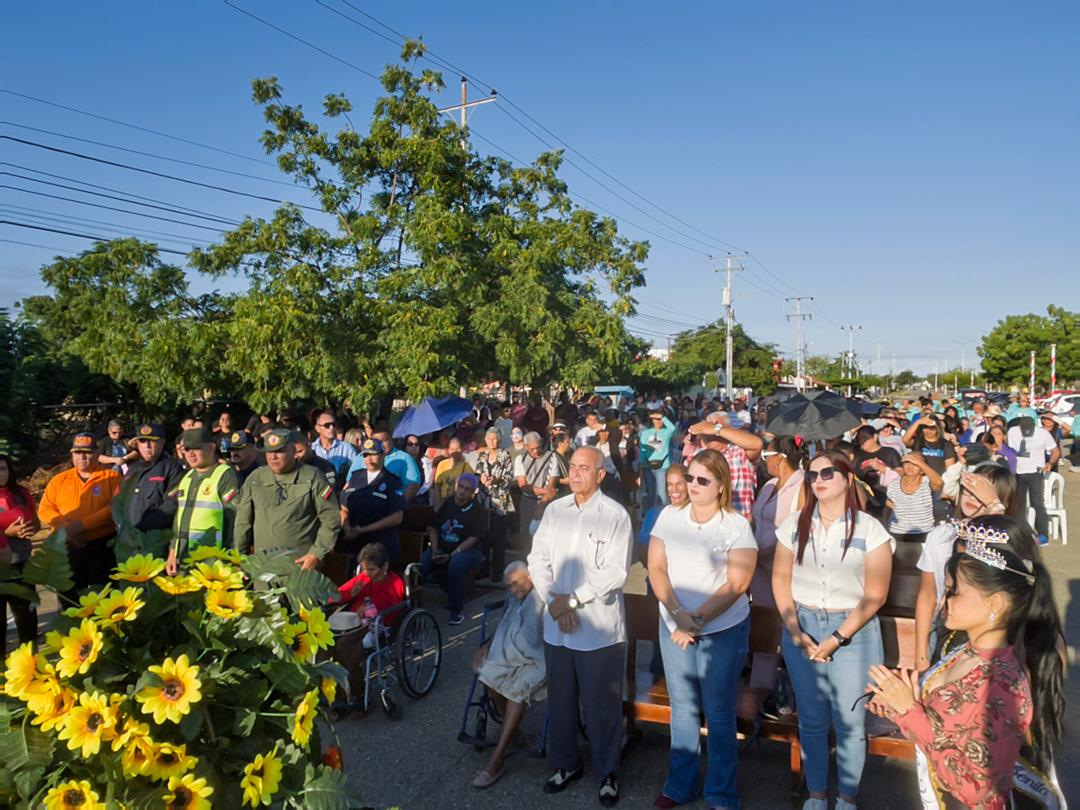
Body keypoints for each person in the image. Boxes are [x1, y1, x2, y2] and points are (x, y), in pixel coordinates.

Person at [868, 516, 1064, 808]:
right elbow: (941, 731)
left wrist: (909, 711)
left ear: (994, 604)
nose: (943, 599)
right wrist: (899, 708)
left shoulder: (1002, 681)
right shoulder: (959, 650)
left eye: (954, 592)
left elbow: (979, 789)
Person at [772, 450, 894, 810]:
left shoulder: (870, 529)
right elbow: (780, 577)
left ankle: (847, 798)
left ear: (847, 478)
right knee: (810, 719)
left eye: (828, 473)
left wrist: (839, 637)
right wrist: (794, 629)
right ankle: (816, 795)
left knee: (850, 723)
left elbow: (875, 594)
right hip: (804, 626)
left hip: (852, 632)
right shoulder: (794, 525)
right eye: (812, 475)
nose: (819, 480)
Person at [647, 449, 758, 810]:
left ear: (721, 485)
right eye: (689, 478)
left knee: (719, 710)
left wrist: (695, 620)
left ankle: (721, 791)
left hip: (721, 628)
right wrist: (678, 614)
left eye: (701, 480)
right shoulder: (669, 516)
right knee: (683, 708)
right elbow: (656, 567)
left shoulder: (736, 525)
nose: (691, 485)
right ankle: (680, 784)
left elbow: (737, 583)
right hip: (675, 624)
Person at [527, 447, 633, 807]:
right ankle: (565, 764)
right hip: (558, 625)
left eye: (583, 468)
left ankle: (607, 773)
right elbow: (537, 558)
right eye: (572, 467)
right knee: (560, 701)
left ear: (600, 475)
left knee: (601, 705)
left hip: (598, 630)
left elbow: (616, 572)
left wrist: (570, 601)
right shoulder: (555, 510)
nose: (574, 474)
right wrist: (553, 600)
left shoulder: (615, 515)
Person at [914, 465, 1016, 670]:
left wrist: (994, 507)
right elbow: (927, 595)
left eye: (981, 493)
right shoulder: (942, 535)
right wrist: (920, 654)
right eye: (968, 489)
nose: (971, 497)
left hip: (995, 634)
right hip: (946, 629)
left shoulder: (1009, 538)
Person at [471, 561, 547, 789]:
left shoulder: (544, 595)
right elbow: (505, 623)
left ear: (530, 577)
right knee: (490, 680)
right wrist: (488, 643)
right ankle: (513, 731)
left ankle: (497, 759)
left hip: (538, 658)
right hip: (508, 653)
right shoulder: (513, 598)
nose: (513, 590)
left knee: (515, 691)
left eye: (516, 584)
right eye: (509, 586)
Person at [232, 427, 340, 570]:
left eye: (279, 451)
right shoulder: (255, 479)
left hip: (301, 568)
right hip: (262, 570)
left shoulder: (312, 476)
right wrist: (240, 559)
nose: (273, 457)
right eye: (269, 452)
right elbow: (242, 523)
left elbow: (331, 518)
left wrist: (316, 553)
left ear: (293, 451)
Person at [37, 433, 122, 595]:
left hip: (101, 548)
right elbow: (45, 509)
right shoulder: (59, 480)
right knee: (69, 597)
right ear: (72, 455)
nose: (82, 456)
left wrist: (82, 526)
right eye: (77, 452)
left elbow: (115, 508)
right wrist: (69, 528)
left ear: (97, 454)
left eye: (87, 452)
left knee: (105, 596)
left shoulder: (112, 478)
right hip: (67, 547)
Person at [331, 542, 407, 699]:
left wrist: (368, 610)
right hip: (354, 624)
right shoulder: (362, 578)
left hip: (378, 626)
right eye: (364, 568)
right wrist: (350, 593)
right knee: (330, 641)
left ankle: (351, 691)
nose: (367, 573)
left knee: (345, 645)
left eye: (371, 569)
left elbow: (393, 612)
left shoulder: (394, 583)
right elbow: (339, 594)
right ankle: (337, 688)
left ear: (384, 567)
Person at [165, 427, 240, 575]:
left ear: (211, 447)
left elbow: (234, 519)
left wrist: (234, 558)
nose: (191, 454)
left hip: (212, 561)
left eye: (197, 448)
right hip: (185, 559)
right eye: (187, 449)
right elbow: (178, 519)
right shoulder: (187, 477)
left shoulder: (224, 474)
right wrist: (172, 552)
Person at [111, 422, 185, 562]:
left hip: (154, 543)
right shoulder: (132, 470)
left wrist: (138, 527)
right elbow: (117, 501)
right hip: (128, 544)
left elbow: (171, 505)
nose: (147, 446)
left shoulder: (172, 469)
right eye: (143, 441)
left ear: (162, 443)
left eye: (152, 441)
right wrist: (123, 527)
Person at [750, 436, 807, 608]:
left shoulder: (802, 486)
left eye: (766, 454)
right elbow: (756, 520)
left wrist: (762, 554)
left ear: (780, 458)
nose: (764, 459)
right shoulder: (770, 484)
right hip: (758, 568)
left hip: (783, 570)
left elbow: (798, 530)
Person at [422, 473, 485, 625]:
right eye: (461, 487)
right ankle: (413, 606)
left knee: (456, 563)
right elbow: (433, 528)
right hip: (442, 547)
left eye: (468, 489)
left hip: (469, 551)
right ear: (456, 486)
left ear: (473, 492)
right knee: (424, 561)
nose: (463, 491)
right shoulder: (447, 503)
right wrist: (436, 549)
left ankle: (456, 610)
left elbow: (473, 538)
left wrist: (452, 555)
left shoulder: (477, 510)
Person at [340, 438, 405, 563]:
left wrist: (365, 529)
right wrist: (347, 528)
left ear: (382, 455)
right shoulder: (355, 477)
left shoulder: (392, 481)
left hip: (380, 543)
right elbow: (344, 507)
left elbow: (397, 517)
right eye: (365, 455)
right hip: (355, 541)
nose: (368, 459)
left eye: (373, 455)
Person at [687, 416, 763, 520]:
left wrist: (717, 429)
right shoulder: (695, 457)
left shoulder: (738, 452)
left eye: (715, 424)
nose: (708, 429)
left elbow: (757, 444)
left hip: (739, 523)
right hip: (706, 524)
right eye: (706, 425)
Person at [0, 451, 38, 658]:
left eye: (3, 468)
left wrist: (30, 529)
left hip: (22, 566)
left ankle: (30, 664)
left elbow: (37, 520)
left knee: (27, 618)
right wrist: (7, 533)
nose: (0, 473)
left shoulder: (22, 494)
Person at [1007, 416, 1059, 543]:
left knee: (1037, 503)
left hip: (1036, 472)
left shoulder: (1043, 434)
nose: (1027, 431)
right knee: (1019, 505)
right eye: (1024, 429)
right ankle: (1021, 533)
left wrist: (1050, 463)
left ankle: (1043, 534)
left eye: (1029, 429)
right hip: (1017, 473)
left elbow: (1055, 451)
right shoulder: (1013, 432)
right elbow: (1010, 451)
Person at [474, 428, 515, 578]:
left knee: (499, 537)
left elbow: (509, 477)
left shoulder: (505, 455)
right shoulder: (482, 455)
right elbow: (477, 474)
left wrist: (497, 480)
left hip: (500, 500)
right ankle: (483, 569)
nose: (492, 441)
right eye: (489, 438)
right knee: (483, 536)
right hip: (484, 500)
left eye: (495, 438)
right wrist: (481, 479)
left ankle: (497, 571)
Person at [883, 452, 942, 539]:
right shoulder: (894, 484)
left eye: (915, 463)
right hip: (897, 534)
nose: (910, 466)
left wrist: (919, 462)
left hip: (924, 534)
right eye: (907, 462)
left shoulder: (927, 482)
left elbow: (939, 483)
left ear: (922, 468)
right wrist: (885, 528)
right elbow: (888, 507)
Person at [514, 432, 554, 536]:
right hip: (528, 500)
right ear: (526, 447)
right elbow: (523, 486)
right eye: (532, 449)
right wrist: (545, 490)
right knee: (526, 534)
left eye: (538, 447)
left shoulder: (551, 457)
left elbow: (552, 483)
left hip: (546, 500)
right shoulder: (520, 459)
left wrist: (542, 502)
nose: (536, 451)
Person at [639, 408, 678, 508]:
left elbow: (673, 428)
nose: (658, 421)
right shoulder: (646, 433)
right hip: (648, 466)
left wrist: (662, 417)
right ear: (652, 420)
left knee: (661, 492)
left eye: (659, 419)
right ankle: (651, 513)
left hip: (663, 466)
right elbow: (642, 450)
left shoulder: (666, 432)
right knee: (650, 492)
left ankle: (664, 511)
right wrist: (641, 462)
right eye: (656, 419)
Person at [311, 408, 358, 485]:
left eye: (333, 424)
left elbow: (356, 473)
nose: (331, 428)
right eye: (327, 425)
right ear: (317, 428)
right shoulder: (311, 448)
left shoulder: (347, 448)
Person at [431, 438, 473, 510]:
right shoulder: (442, 464)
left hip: (458, 501)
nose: (454, 452)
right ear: (448, 450)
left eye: (457, 449)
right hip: (443, 500)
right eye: (452, 449)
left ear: (462, 450)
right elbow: (437, 484)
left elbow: (469, 488)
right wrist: (438, 501)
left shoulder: (467, 467)